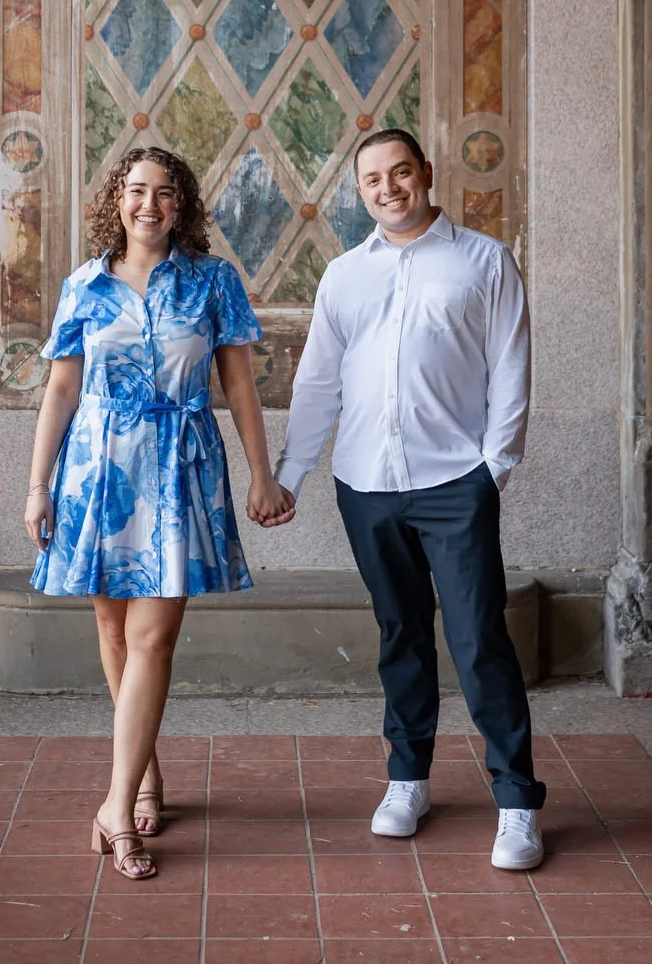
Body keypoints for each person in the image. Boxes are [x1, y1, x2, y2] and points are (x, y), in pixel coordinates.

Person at [275, 127, 545, 869]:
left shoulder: (484, 260)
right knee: (400, 634)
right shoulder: (343, 276)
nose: (388, 188)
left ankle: (517, 802)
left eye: (399, 172)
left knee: (479, 638)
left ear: (425, 172)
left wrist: (494, 468)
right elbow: (318, 382)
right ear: (360, 191)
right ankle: (408, 778)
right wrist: (290, 474)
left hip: (455, 483)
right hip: (366, 485)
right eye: (372, 180)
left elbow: (511, 368)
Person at [24, 145, 295, 881]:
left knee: (154, 637)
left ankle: (115, 809)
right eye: (137, 190)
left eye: (165, 192)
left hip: (179, 466)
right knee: (114, 631)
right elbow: (61, 390)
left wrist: (262, 475)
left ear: (183, 205)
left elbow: (239, 386)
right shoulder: (85, 285)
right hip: (98, 471)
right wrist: (37, 486)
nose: (150, 204)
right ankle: (142, 773)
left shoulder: (212, 281)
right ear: (117, 199)